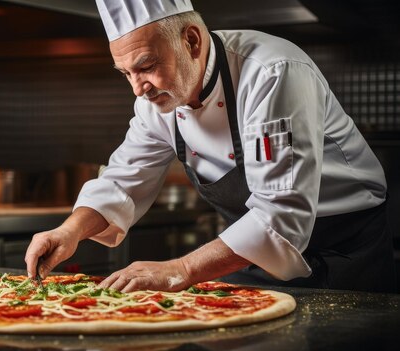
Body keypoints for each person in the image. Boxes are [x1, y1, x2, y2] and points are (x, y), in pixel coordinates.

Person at [24, 0, 397, 293]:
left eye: (147, 66)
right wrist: (69, 231)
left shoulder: (271, 71)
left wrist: (180, 270)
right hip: (258, 257)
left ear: (191, 40)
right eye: (126, 74)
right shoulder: (157, 101)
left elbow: (281, 215)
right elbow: (122, 182)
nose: (138, 88)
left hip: (349, 250)